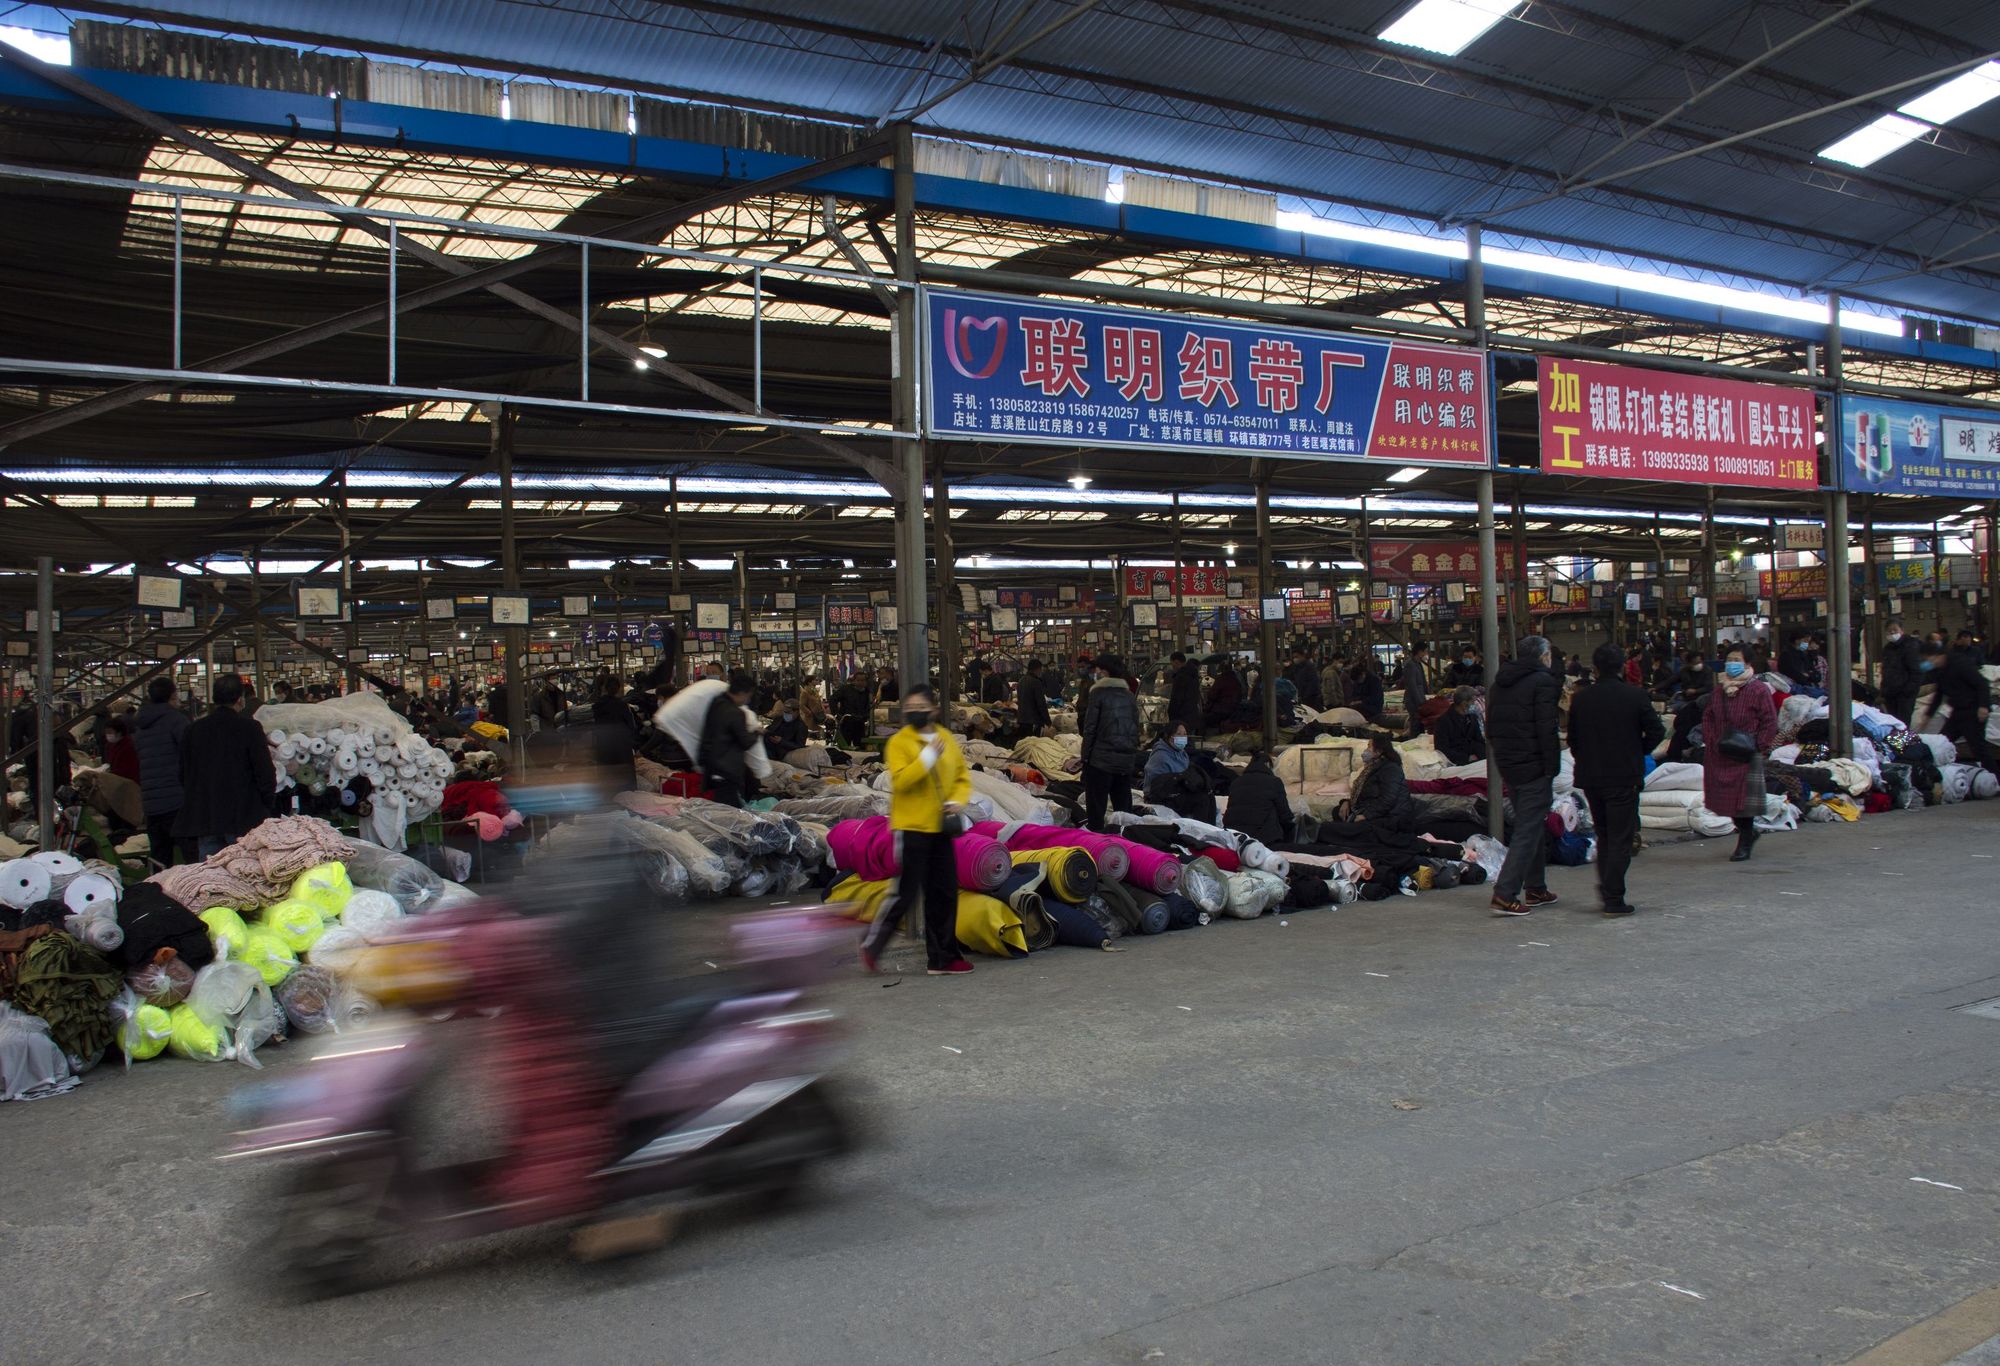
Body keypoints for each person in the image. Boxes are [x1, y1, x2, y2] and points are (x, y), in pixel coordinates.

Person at [860, 687, 972, 977]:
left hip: (940, 826)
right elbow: (901, 781)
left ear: (934, 709)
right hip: (912, 826)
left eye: (921, 705)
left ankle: (943, 958)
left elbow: (961, 776)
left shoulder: (946, 738)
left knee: (944, 893)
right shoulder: (899, 743)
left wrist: (956, 801)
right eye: (909, 706)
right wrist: (927, 759)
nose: (914, 710)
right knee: (906, 892)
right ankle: (873, 945)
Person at [1567, 643, 1665, 916]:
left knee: (1605, 834)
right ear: (1622, 666)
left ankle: (1608, 889)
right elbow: (1656, 731)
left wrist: (1588, 757)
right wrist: (1637, 750)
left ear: (1595, 668)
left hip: (1592, 777)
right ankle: (1613, 896)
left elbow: (1573, 740)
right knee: (1620, 838)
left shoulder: (1582, 699)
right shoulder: (1635, 696)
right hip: (1623, 776)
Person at [1485, 635, 1563, 916]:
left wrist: (1504, 758)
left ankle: (1536, 887)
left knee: (1532, 826)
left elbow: (1490, 727)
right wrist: (1551, 767)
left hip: (1509, 764)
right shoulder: (1542, 682)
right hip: (1533, 766)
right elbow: (1546, 730)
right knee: (1527, 831)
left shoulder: (1499, 684)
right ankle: (1505, 894)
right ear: (1543, 657)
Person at [174, 673, 276, 858]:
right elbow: (265, 772)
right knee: (244, 871)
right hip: (243, 814)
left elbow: (183, 773)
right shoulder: (249, 728)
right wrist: (266, 805)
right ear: (240, 699)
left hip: (206, 815)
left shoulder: (193, 730)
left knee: (212, 875)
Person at [1702, 645, 1777, 862]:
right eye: (1729, 659)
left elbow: (1769, 721)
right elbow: (1708, 715)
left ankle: (1745, 838)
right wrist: (1711, 739)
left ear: (1747, 663)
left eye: (1736, 659)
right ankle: (1748, 833)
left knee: (1743, 801)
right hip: (1721, 752)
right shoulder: (1720, 689)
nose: (1731, 663)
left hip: (1746, 753)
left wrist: (1759, 746)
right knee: (1725, 800)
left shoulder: (1759, 690)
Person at [135, 676, 196, 867]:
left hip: (151, 803)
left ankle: (158, 893)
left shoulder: (140, 724)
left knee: (160, 857)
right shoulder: (176, 720)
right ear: (173, 695)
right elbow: (191, 754)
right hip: (177, 799)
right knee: (191, 857)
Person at [1079, 653, 1140, 831]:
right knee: (1123, 809)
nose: (1094, 672)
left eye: (1097, 669)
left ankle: (1098, 845)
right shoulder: (1129, 695)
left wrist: (1085, 758)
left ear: (1104, 671)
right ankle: (1127, 842)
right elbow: (1135, 727)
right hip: (1125, 761)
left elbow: (1090, 728)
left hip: (1101, 761)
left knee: (1096, 809)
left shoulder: (1098, 694)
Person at [697, 671, 759, 808]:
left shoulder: (716, 703)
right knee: (730, 810)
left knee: (722, 806)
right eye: (748, 696)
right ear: (743, 693)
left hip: (712, 767)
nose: (747, 700)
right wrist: (757, 733)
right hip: (728, 770)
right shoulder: (736, 713)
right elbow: (746, 742)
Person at [1141, 722, 1216, 823]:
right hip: (1161, 795)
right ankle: (1200, 829)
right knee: (1201, 800)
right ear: (1169, 736)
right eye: (1179, 734)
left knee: (1209, 794)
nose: (1183, 737)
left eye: (1184, 734)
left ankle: (1211, 829)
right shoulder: (1160, 756)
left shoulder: (1182, 754)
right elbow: (1155, 785)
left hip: (1179, 790)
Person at [1930, 638, 1992, 758]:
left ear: (1940, 656)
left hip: (1972, 711)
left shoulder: (1960, 664)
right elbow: (1938, 695)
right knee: (1942, 741)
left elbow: (1982, 683)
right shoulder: (1941, 671)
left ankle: (1993, 775)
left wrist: (1984, 706)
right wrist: (1927, 716)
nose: (1929, 662)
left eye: (1930, 658)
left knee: (1979, 749)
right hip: (1958, 712)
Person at [1222, 749, 1294, 846]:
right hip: (1263, 837)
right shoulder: (1273, 782)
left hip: (1234, 835)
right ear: (1268, 765)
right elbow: (1284, 813)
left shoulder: (1236, 782)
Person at [1348, 733, 1416, 832]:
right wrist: (1346, 802)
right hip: (1378, 812)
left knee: (1347, 828)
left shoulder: (1391, 769)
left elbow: (1388, 799)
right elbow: (1365, 793)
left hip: (1392, 818)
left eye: (1369, 746)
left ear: (1379, 751)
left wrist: (1366, 815)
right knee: (1338, 812)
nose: (1366, 750)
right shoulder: (1372, 768)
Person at [1880, 617, 1921, 722]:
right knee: (1893, 723)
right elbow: (1885, 671)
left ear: (1902, 630)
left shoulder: (1910, 646)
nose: (1892, 632)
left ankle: (1905, 739)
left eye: (1895, 629)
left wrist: (1907, 690)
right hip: (1891, 694)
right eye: (1889, 630)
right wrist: (1884, 691)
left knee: (1903, 723)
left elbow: (1916, 671)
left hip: (1904, 695)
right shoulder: (1887, 649)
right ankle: (1895, 739)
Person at [1433, 686, 1485, 767]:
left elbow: (1479, 740)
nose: (1475, 705)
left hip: (1476, 758)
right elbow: (1441, 749)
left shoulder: (1472, 718)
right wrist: (1466, 758)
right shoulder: (1443, 721)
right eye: (1473, 702)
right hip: (1458, 761)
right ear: (1464, 703)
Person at [1201, 657, 1242, 733]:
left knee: (1202, 719)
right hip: (1235, 709)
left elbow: (1212, 695)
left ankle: (1205, 739)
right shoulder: (1236, 679)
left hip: (1221, 710)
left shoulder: (1221, 679)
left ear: (1222, 669)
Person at [1165, 651, 1202, 734]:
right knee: (1189, 741)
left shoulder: (1181, 677)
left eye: (1172, 664)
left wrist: (1171, 715)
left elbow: (1177, 699)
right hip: (1192, 715)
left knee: (1181, 742)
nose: (1172, 666)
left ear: (1176, 662)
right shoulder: (1193, 674)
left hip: (1182, 717)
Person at [1399, 641, 1430, 737]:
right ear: (1419, 652)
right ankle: (1414, 741)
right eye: (1425, 652)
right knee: (1415, 724)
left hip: (1419, 699)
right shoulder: (1410, 665)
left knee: (1420, 724)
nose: (1426, 654)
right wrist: (1419, 702)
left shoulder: (1418, 664)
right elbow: (1412, 686)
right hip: (1413, 701)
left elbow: (1421, 684)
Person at [1016, 658, 1051, 739]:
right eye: (1041, 669)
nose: (1041, 672)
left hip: (1022, 720)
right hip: (1033, 721)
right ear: (1038, 669)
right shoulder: (1036, 682)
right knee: (1034, 745)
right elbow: (1041, 704)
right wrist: (1047, 721)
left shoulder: (1021, 681)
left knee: (1026, 744)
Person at [102, 713, 141, 783]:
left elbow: (130, 769)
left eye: (110, 732)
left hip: (129, 783)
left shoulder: (129, 746)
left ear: (119, 733)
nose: (107, 735)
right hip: (118, 780)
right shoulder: (110, 745)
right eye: (106, 732)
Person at [1347, 656, 1385, 724]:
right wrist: (1353, 700)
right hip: (1361, 708)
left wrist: (1361, 701)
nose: (1358, 682)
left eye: (1358, 680)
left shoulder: (1374, 680)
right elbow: (1354, 693)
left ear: (1362, 674)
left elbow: (1376, 698)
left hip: (1373, 709)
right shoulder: (1357, 682)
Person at [1287, 646, 1323, 713]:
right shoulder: (1296, 668)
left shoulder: (1309, 667)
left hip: (1311, 699)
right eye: (1294, 657)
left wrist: (1306, 696)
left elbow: (1313, 683)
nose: (1295, 659)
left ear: (1303, 656)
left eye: (1297, 657)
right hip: (1301, 698)